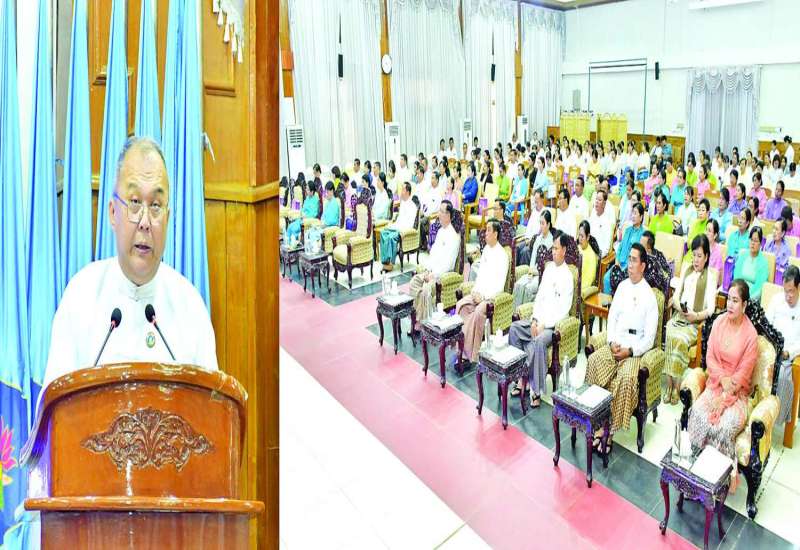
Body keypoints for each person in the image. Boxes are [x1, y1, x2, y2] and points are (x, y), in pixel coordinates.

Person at [43, 137, 218, 388]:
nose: (145, 222)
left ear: (167, 218)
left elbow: (210, 407)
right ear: (113, 213)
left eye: (155, 206)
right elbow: (54, 405)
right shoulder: (80, 297)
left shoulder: (190, 307)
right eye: (134, 203)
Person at [585, 243, 658, 450]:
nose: (630, 264)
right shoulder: (623, 287)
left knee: (626, 380)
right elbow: (612, 318)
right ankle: (596, 421)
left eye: (634, 260)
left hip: (634, 351)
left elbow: (650, 339)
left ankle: (609, 431)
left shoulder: (649, 296)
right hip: (616, 343)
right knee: (594, 360)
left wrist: (630, 351)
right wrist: (611, 342)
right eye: (629, 259)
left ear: (643, 266)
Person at [688, 279, 758, 490]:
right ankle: (697, 468)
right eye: (729, 299)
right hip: (715, 384)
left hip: (738, 395)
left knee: (724, 426)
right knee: (697, 412)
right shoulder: (718, 322)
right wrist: (722, 379)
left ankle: (718, 480)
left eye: (735, 301)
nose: (730, 305)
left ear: (744, 305)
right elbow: (710, 358)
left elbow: (744, 373)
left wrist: (727, 391)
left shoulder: (751, 335)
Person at [508, 233, 574, 408]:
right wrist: (535, 320)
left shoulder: (568, 276)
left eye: (556, 248)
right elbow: (539, 297)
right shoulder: (549, 269)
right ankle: (520, 378)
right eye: (552, 248)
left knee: (537, 342)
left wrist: (544, 324)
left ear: (564, 250)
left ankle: (535, 390)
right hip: (538, 320)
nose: (553, 251)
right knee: (514, 328)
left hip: (552, 327)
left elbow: (563, 310)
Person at [663, 235, 717, 404]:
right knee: (669, 333)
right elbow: (676, 296)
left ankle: (677, 386)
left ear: (706, 257)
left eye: (699, 256)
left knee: (679, 340)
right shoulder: (686, 269)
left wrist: (696, 316)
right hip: (679, 316)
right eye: (694, 255)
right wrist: (680, 307)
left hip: (694, 323)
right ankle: (670, 385)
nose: (695, 259)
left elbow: (711, 309)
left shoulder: (710, 278)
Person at [456, 219, 510, 363]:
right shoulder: (486, 249)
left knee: (478, 312)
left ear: (495, 234)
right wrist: (475, 291)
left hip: (490, 298)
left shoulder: (502, 255)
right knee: (461, 304)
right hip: (479, 293)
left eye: (488, 230)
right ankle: (461, 346)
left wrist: (484, 297)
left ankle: (470, 354)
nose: (485, 233)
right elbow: (480, 276)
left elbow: (499, 285)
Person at [409, 201, 461, 326]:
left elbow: (448, 264)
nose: (439, 214)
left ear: (448, 215)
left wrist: (434, 275)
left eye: (441, 212)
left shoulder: (454, 236)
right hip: (432, 272)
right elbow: (433, 255)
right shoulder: (440, 231)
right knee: (414, 282)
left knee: (426, 289)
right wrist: (428, 270)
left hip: (442, 276)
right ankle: (417, 317)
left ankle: (425, 323)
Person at [767, 266, 800, 425]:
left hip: (789, 356)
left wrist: (788, 352)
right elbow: (766, 326)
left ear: (799, 287)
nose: (788, 296)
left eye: (791, 291)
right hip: (771, 349)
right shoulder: (776, 300)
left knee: (781, 376)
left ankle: (776, 420)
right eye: (785, 291)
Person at [513, 211, 555, 308]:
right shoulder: (538, 238)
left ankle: (525, 313)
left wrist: (535, 272)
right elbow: (533, 257)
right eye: (540, 223)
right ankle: (515, 313)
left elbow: (548, 267)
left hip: (542, 276)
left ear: (548, 224)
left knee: (528, 288)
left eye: (543, 223)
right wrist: (531, 270)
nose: (541, 226)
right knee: (518, 284)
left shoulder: (552, 241)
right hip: (533, 272)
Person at [604, 203, 645, 293]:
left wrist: (627, 267)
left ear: (641, 217)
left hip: (630, 267)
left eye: (635, 213)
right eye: (632, 213)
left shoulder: (642, 234)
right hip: (619, 263)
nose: (633, 216)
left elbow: (638, 256)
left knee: (621, 283)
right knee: (606, 278)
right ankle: (607, 301)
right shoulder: (627, 230)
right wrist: (617, 261)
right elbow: (620, 247)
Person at [380, 182, 418, 271]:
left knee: (391, 237)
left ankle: (390, 263)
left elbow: (409, 224)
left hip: (403, 230)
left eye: (403, 189)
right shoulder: (403, 203)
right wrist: (392, 225)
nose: (401, 192)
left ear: (408, 192)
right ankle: (385, 261)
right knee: (383, 232)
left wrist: (397, 228)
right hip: (397, 226)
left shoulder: (412, 206)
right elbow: (399, 219)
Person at [733, 226, 769, 302]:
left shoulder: (763, 263)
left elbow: (760, 288)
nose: (752, 243)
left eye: (755, 241)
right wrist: (738, 295)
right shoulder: (742, 255)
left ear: (760, 243)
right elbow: (736, 277)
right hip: (738, 295)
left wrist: (748, 299)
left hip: (752, 299)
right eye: (751, 239)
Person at [588, 189, 614, 258]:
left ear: (604, 204)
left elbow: (606, 248)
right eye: (596, 199)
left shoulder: (607, 222)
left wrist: (597, 256)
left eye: (599, 200)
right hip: (588, 250)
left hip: (597, 254)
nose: (596, 201)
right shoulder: (592, 216)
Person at [577, 220, 600, 296]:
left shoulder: (591, 255)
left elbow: (589, 280)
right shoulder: (576, 248)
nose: (580, 239)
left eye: (582, 236)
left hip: (581, 289)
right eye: (579, 235)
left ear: (588, 237)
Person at [706, 219, 724, 286]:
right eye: (706, 230)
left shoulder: (718, 252)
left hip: (710, 284)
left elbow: (715, 277)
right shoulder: (701, 246)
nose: (706, 233)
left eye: (709, 231)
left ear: (715, 235)